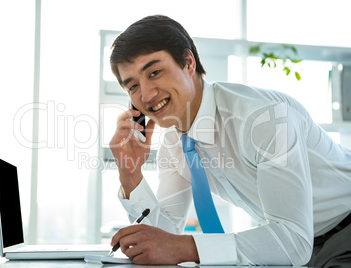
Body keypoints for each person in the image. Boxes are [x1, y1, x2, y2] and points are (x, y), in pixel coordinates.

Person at [108, 15, 351, 266]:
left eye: (155, 72)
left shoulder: (264, 117)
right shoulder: (175, 142)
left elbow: (294, 241)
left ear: (188, 62)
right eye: (133, 86)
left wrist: (184, 247)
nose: (146, 95)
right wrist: (130, 175)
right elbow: (165, 236)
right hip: (294, 248)